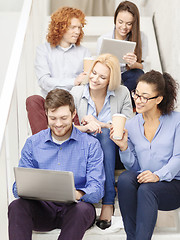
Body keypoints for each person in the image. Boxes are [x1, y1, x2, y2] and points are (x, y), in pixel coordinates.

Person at [8, 89, 105, 240]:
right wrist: (26, 188)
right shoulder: (33, 143)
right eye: (53, 118)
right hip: (43, 209)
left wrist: (78, 193)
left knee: (80, 210)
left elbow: (97, 189)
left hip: (76, 209)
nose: (58, 124)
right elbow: (17, 188)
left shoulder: (91, 144)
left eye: (63, 118)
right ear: (46, 114)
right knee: (16, 206)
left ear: (73, 115)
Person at [110, 70, 180, 240]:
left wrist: (157, 175)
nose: (137, 100)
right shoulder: (132, 125)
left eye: (144, 97)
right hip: (145, 183)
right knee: (126, 179)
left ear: (158, 99)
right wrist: (124, 147)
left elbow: (179, 158)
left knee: (147, 189)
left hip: (173, 185)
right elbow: (134, 168)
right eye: (136, 94)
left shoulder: (177, 121)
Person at [70, 53, 133, 230]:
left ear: (110, 80)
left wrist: (102, 124)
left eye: (102, 76)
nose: (95, 79)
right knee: (99, 137)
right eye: (94, 72)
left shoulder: (122, 93)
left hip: (112, 149)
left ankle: (108, 201)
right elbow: (67, 126)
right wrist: (86, 126)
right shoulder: (76, 92)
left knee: (105, 135)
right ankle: (102, 197)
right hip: (84, 148)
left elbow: (130, 123)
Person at [26, 6, 91, 134]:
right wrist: (73, 81)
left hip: (72, 103)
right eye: (73, 27)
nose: (77, 31)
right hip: (49, 101)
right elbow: (44, 81)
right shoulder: (43, 50)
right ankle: (43, 144)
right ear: (60, 27)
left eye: (79, 28)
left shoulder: (84, 52)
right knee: (33, 100)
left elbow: (86, 82)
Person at [97, 0, 148, 93]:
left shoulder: (141, 37)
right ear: (115, 19)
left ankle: (121, 101)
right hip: (109, 75)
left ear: (134, 24)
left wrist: (133, 64)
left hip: (128, 78)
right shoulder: (103, 39)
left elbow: (143, 65)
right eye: (120, 22)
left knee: (138, 74)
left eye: (129, 24)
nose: (124, 27)